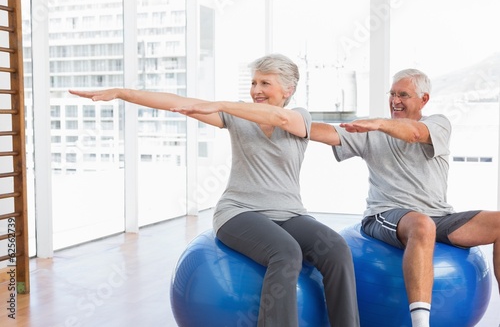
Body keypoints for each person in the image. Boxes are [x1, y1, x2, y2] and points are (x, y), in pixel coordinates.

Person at [69, 53, 360, 327]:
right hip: (239, 212)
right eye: (253, 82)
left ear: (288, 89)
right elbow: (177, 101)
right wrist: (124, 93)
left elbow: (279, 119)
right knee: (285, 253)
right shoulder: (237, 116)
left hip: (289, 213)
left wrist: (220, 104)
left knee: (336, 248)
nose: (256, 89)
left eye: (264, 83)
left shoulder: (299, 117)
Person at [310, 68, 500, 327]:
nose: (395, 100)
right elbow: (330, 133)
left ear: (424, 100)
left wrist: (377, 123)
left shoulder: (438, 124)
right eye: (392, 94)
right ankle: (421, 324)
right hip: (385, 213)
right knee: (422, 225)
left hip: (439, 214)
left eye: (403, 95)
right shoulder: (370, 131)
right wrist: (294, 123)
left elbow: (414, 133)